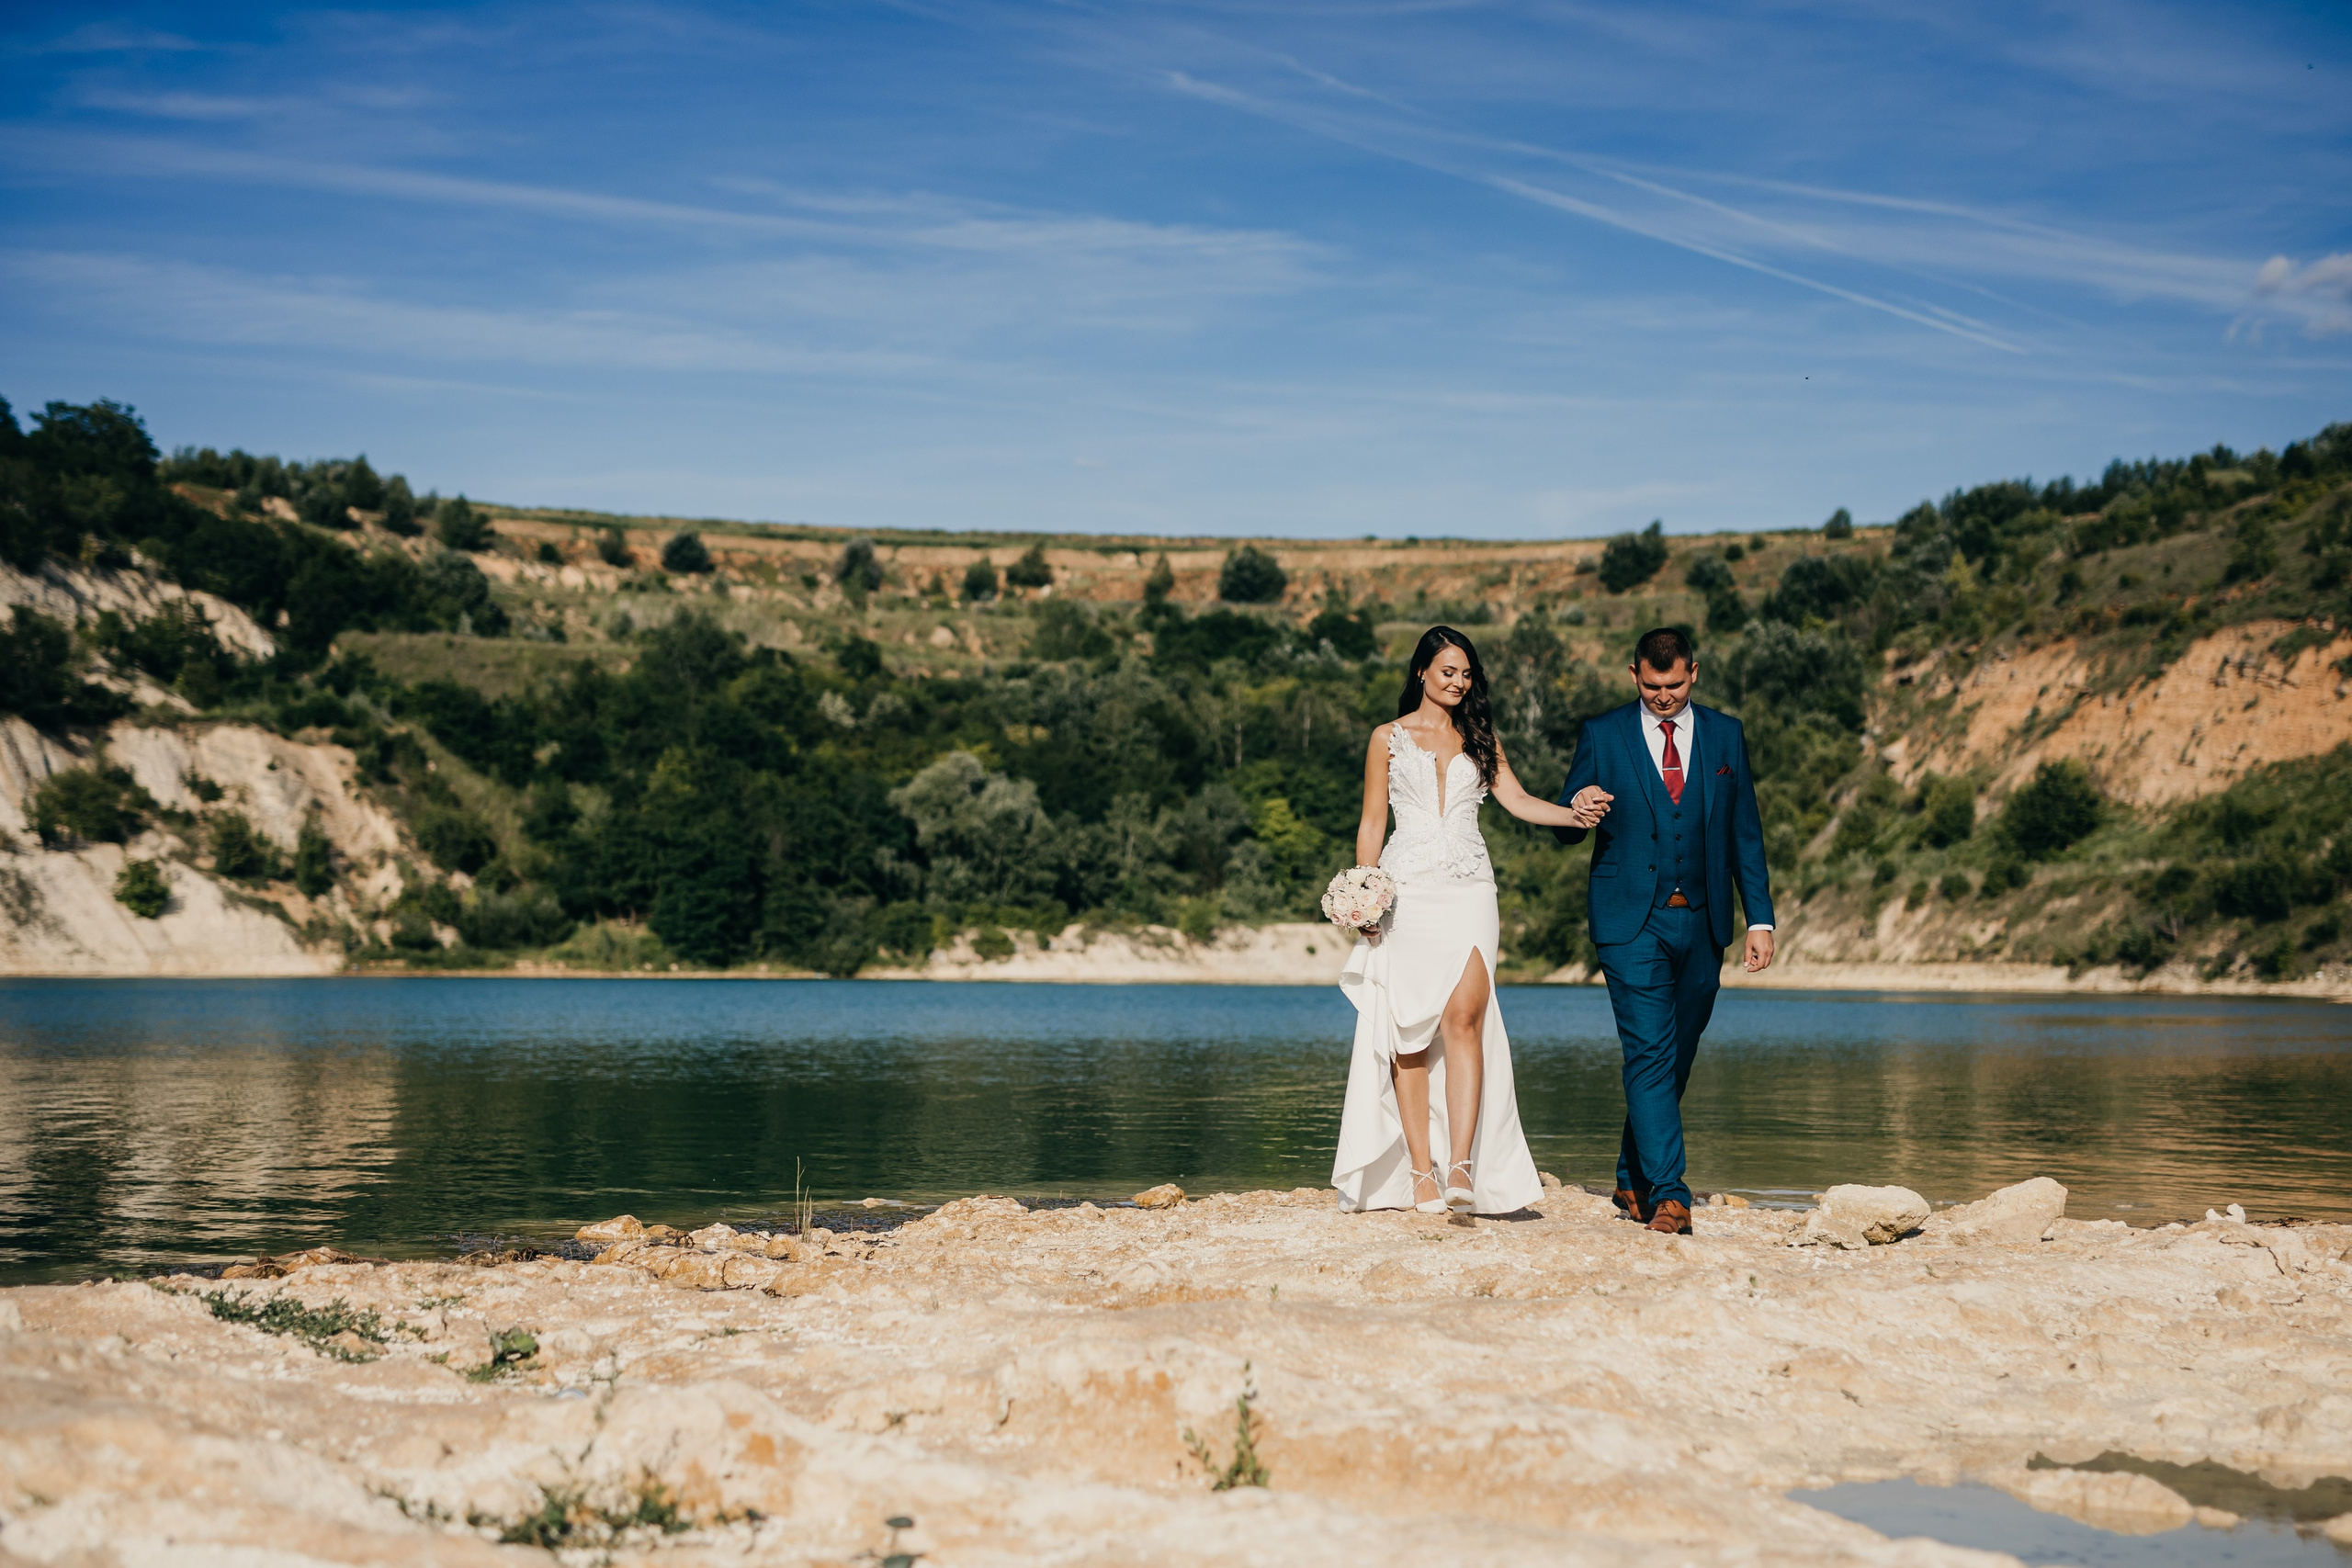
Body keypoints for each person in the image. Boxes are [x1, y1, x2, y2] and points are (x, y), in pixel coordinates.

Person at [1331, 626, 1591, 1216]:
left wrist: (1573, 815)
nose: (1458, 682)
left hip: (1471, 890)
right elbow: (1372, 822)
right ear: (1422, 671)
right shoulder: (1387, 738)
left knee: (1466, 1020)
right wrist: (1366, 892)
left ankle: (1462, 1167)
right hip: (1406, 894)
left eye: (1467, 673)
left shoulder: (1481, 738)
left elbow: (1518, 801)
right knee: (1407, 1034)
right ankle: (1420, 1172)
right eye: (1448, 671)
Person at [1553, 626, 1774, 1236]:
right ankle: (1671, 1193)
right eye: (1652, 686)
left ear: (1693, 673)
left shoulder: (1726, 734)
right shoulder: (1603, 734)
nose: (1663, 696)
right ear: (1634, 675)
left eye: (1674, 684)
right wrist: (1579, 804)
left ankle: (1632, 1174)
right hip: (1629, 922)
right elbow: (1565, 825)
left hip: (1705, 920)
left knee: (1676, 1052)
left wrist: (1759, 918)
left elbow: (1745, 832)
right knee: (1649, 1049)